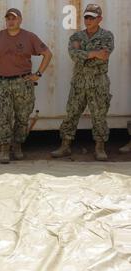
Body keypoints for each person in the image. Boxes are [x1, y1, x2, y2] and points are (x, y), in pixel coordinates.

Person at [0, 8, 52, 164]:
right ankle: (5, 149)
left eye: (14, 18)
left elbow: (48, 54)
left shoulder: (29, 37)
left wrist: (38, 74)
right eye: (8, 18)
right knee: (5, 117)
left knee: (22, 117)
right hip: (3, 83)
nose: (10, 21)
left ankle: (18, 145)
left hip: (23, 83)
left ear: (20, 20)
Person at [51, 4, 114, 161]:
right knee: (72, 113)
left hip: (98, 81)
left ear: (100, 18)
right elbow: (74, 55)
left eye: (92, 17)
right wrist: (94, 53)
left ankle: (99, 148)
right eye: (86, 17)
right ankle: (65, 146)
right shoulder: (76, 37)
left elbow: (104, 56)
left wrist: (84, 54)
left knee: (99, 115)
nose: (88, 20)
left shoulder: (107, 36)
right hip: (79, 82)